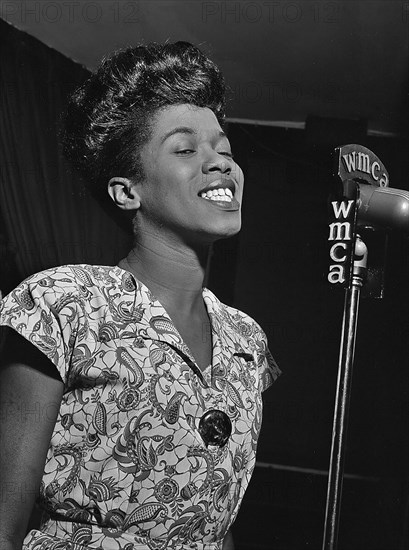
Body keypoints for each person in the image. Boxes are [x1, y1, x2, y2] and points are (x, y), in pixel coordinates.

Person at [0, 42, 281, 550]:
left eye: (225, 149)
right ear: (127, 191)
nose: (219, 163)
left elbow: (215, 519)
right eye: (185, 149)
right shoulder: (62, 303)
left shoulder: (247, 341)